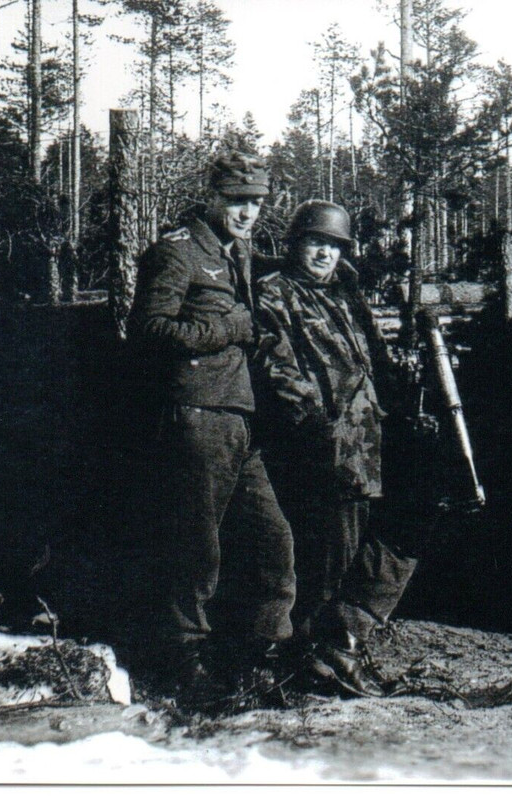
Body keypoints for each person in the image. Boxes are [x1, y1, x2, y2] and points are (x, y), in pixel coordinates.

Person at [128, 152, 297, 703]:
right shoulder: (178, 252)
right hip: (197, 414)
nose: (248, 212)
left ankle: (260, 660)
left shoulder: (237, 254)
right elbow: (150, 330)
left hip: (239, 419)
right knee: (196, 546)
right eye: (237, 201)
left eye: (256, 202)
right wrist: (229, 326)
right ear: (212, 197)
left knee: (274, 539)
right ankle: (184, 666)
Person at [254, 200, 416, 699]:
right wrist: (319, 428)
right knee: (327, 554)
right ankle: (312, 660)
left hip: (367, 441)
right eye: (315, 242)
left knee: (402, 527)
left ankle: (343, 640)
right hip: (317, 448)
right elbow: (276, 371)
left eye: (334, 246)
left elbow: (368, 361)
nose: (324, 253)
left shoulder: (344, 294)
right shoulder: (273, 295)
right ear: (295, 243)